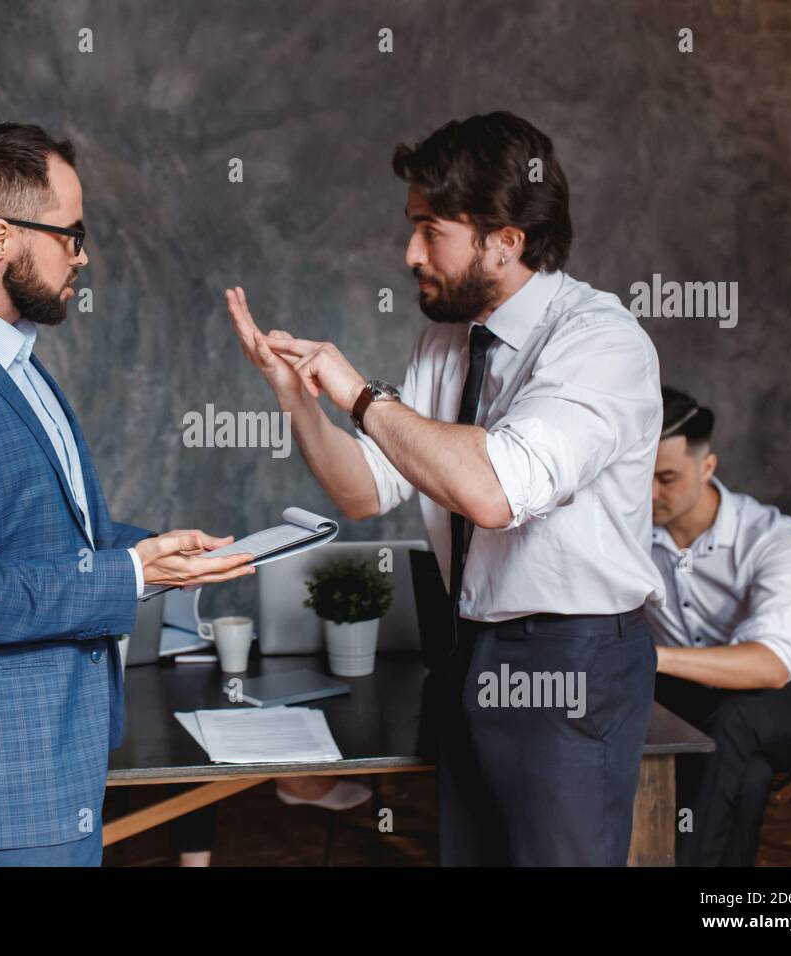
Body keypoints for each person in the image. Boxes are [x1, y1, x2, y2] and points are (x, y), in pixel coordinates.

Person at [225, 111, 665, 865]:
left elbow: (494, 490)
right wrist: (298, 396)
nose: (409, 252)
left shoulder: (601, 341)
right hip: (472, 648)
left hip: (570, 658)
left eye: (431, 229)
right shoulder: (446, 338)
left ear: (506, 238)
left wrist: (363, 396)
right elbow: (365, 489)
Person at [0, 122, 254, 867]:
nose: (82, 256)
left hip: (58, 749)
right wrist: (131, 575)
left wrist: (152, 549)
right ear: (1, 237)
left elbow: (39, 537)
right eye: (71, 234)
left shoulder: (14, 356)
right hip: (1, 774)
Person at [647, 386, 791, 865]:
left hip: (783, 698)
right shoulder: (627, 532)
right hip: (688, 702)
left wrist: (653, 658)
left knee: (734, 722)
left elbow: (771, 666)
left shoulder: (769, 535)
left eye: (666, 478)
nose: (649, 493)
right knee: (744, 775)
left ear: (707, 468)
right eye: (639, 475)